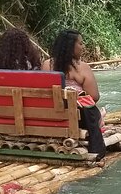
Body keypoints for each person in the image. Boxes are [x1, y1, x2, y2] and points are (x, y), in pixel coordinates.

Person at [41, 29, 106, 160]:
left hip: (51, 115)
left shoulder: (47, 65)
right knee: (92, 111)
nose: (83, 47)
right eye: (81, 44)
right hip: (75, 119)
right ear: (71, 46)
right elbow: (94, 97)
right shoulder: (81, 67)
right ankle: (101, 119)